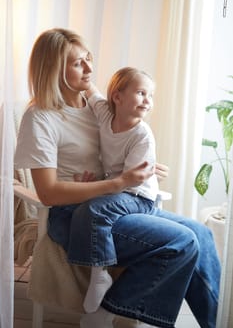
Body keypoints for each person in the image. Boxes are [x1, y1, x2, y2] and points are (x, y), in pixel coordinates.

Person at [14, 28, 221, 328]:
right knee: (182, 241)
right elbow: (47, 193)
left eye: (89, 59)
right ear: (54, 70)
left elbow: (119, 138)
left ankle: (214, 323)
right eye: (77, 63)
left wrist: (140, 167)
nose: (90, 68)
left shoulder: (93, 105)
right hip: (75, 216)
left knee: (201, 234)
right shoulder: (40, 117)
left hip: (112, 202)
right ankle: (107, 313)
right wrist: (120, 182)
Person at [75, 67, 159, 313]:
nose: (147, 100)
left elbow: (131, 180)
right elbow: (90, 90)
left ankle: (100, 272)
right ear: (118, 97)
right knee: (87, 208)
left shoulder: (142, 135)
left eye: (150, 95)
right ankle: (98, 273)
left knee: (94, 209)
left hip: (139, 196)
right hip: (119, 188)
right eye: (141, 93)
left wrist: (98, 187)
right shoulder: (104, 114)